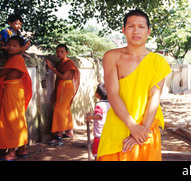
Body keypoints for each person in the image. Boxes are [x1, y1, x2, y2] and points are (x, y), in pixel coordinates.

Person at [97, 9, 171, 161]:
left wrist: (141, 130)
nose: (136, 31)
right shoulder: (112, 57)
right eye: (131, 26)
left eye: (141, 27)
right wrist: (132, 126)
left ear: (148, 31)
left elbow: (154, 99)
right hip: (118, 125)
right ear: (124, 30)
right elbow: (112, 94)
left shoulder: (158, 62)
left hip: (147, 128)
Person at [0, 36, 32, 161]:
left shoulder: (16, 59)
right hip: (15, 91)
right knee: (18, 119)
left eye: (14, 45)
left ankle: (12, 152)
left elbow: (2, 73)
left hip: (12, 91)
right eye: (9, 45)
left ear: (21, 48)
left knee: (11, 120)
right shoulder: (15, 58)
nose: (10, 47)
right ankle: (22, 149)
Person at [45, 44, 80, 146]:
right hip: (62, 87)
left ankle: (59, 134)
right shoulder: (61, 63)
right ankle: (69, 132)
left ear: (67, 53)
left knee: (59, 110)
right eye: (57, 52)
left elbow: (64, 77)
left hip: (66, 87)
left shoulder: (69, 63)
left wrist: (51, 68)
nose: (59, 54)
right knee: (65, 109)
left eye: (62, 52)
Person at [85, 83, 110, 161]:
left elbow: (99, 115)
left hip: (99, 135)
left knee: (97, 153)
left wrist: (91, 117)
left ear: (97, 94)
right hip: (108, 134)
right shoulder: (110, 104)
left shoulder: (99, 105)